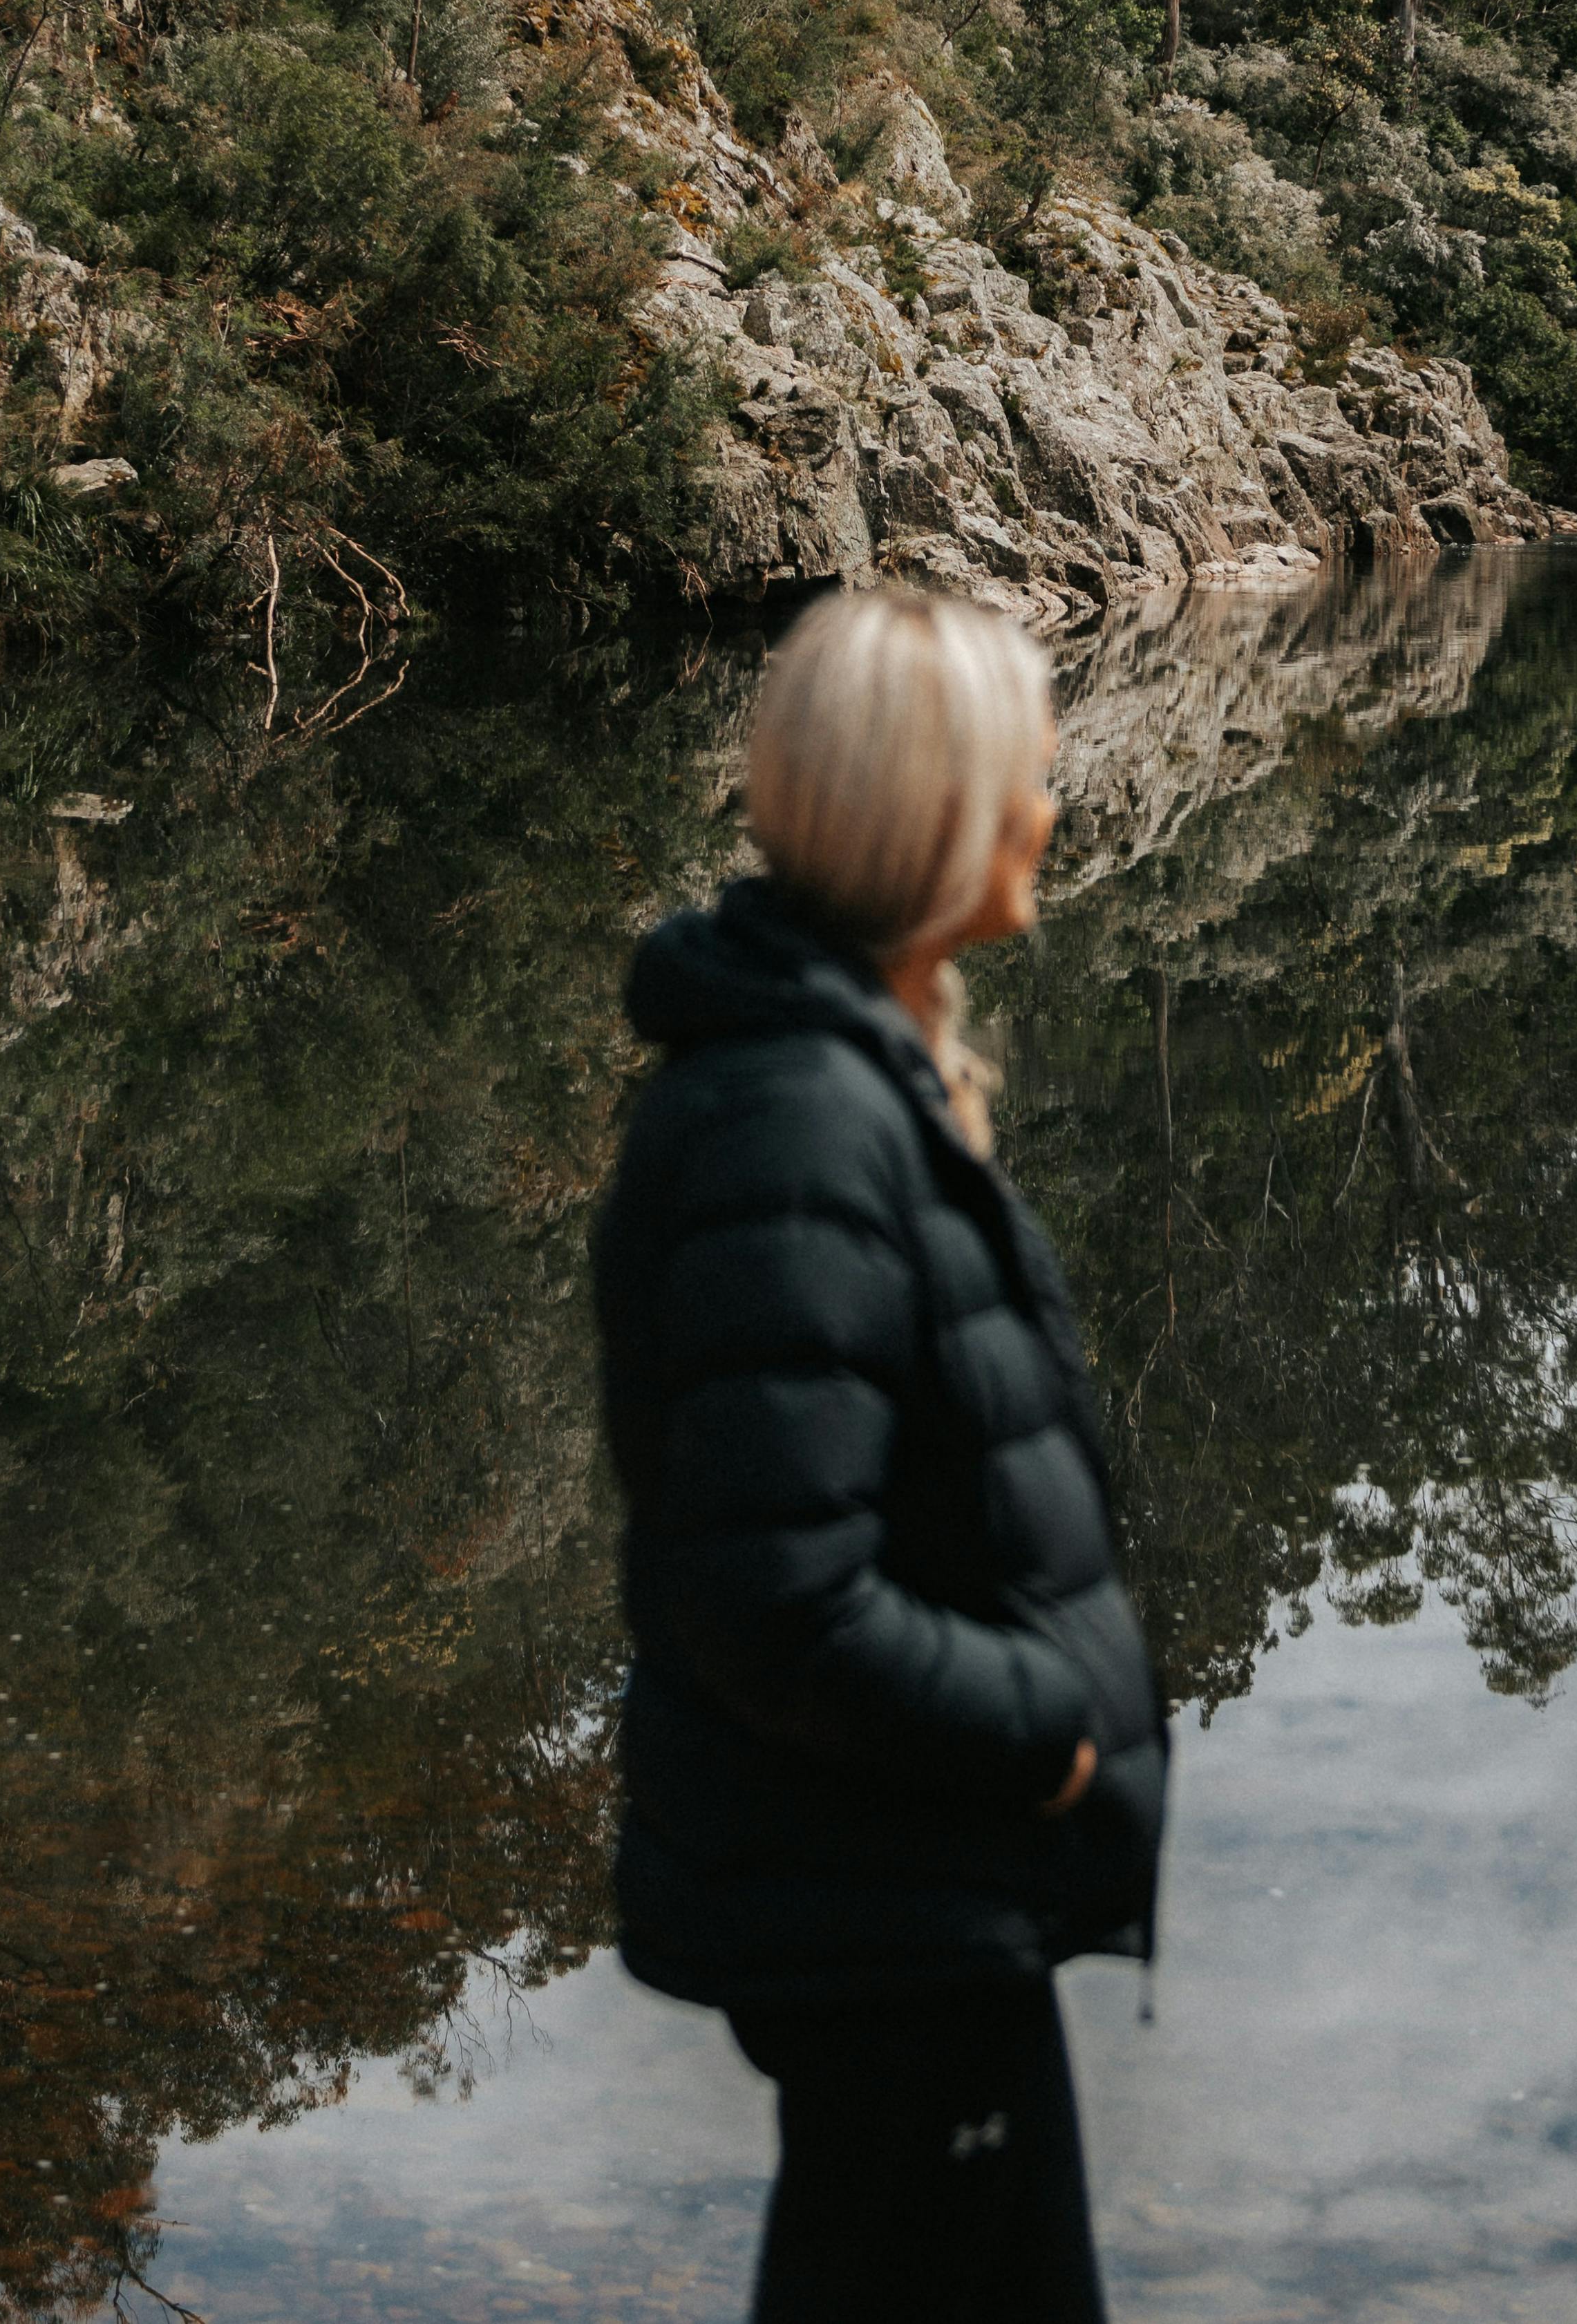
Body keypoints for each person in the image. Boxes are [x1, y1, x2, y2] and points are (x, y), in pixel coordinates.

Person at [593, 583, 1171, 2324]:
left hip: (903, 1894)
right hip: (887, 1899)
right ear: (937, 815)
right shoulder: (799, 1123)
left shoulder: (848, 1076)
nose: (1052, 816)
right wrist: (1047, 1736)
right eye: (1028, 780)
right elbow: (774, 1596)